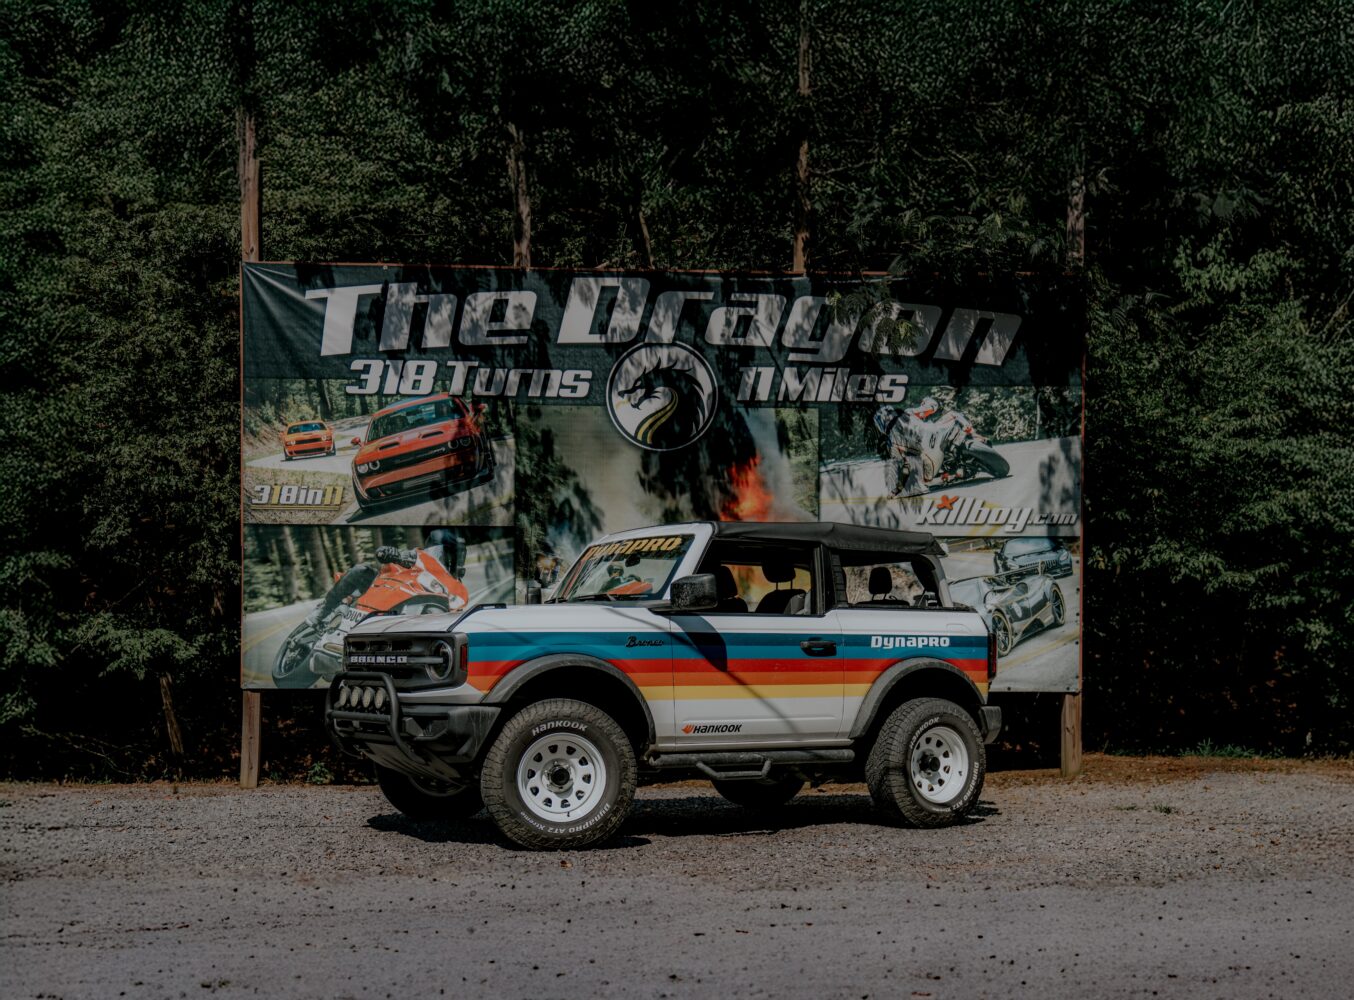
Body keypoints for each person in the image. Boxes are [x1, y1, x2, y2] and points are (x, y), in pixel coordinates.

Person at [303, 529, 463, 628]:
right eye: (447, 553)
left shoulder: (451, 584)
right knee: (362, 570)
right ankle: (324, 609)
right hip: (383, 588)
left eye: (454, 556)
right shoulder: (416, 557)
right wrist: (393, 554)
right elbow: (390, 557)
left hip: (403, 603)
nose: (449, 559)